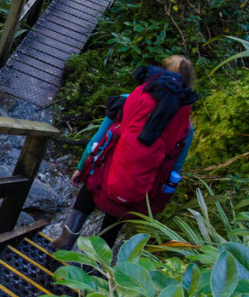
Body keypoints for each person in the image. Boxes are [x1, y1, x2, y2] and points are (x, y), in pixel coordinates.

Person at [52, 54, 198, 251]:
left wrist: (81, 166)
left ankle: (66, 240)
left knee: (87, 195)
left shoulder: (129, 100)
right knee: (115, 220)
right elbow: (175, 168)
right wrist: (158, 201)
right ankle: (92, 266)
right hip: (139, 185)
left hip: (107, 170)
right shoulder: (185, 127)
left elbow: (99, 138)